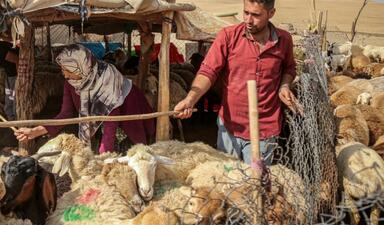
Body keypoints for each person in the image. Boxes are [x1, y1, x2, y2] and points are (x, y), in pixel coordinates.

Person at [174, 0, 297, 165]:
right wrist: (190, 99)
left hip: (265, 129)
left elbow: (289, 68)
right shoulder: (228, 36)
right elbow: (208, 71)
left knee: (255, 183)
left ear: (271, 13)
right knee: (228, 180)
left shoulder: (284, 40)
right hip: (230, 127)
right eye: (246, 12)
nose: (248, 20)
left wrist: (284, 85)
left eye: (255, 15)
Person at [14, 44, 155, 153]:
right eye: (63, 69)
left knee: (130, 155)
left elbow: (111, 121)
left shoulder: (106, 79)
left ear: (81, 67)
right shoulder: (72, 83)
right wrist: (36, 131)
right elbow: (66, 114)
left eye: (68, 69)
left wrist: (104, 156)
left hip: (127, 112)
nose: (64, 75)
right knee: (97, 152)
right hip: (103, 122)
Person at [0, 41, 19, 120]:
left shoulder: (1, 50)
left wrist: (19, 78)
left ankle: (16, 118)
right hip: (9, 73)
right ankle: (10, 117)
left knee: (14, 96)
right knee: (9, 95)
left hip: (15, 74)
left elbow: (16, 60)